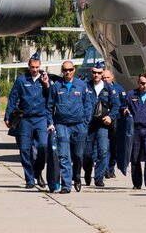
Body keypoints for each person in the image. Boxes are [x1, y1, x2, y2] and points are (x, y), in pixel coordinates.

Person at [5, 53, 51, 189]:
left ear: (40, 66)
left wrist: (47, 85)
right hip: (25, 119)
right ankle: (29, 179)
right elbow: (13, 98)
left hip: (41, 118)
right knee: (25, 150)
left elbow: (51, 97)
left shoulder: (45, 79)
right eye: (32, 67)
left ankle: (38, 171)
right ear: (28, 66)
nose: (35, 69)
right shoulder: (21, 80)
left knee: (43, 146)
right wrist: (7, 116)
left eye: (37, 67)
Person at [47, 60, 93, 193]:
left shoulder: (81, 85)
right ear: (62, 71)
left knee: (78, 155)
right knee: (64, 155)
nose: (68, 72)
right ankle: (66, 185)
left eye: (70, 69)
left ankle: (77, 176)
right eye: (65, 70)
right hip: (62, 125)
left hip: (79, 126)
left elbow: (88, 105)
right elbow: (49, 107)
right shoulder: (56, 86)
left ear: (74, 70)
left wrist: (85, 123)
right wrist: (51, 123)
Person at [82, 62, 119, 187]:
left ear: (102, 72)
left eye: (99, 72)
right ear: (91, 72)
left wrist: (110, 116)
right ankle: (87, 172)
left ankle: (99, 178)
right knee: (87, 153)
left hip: (102, 124)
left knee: (103, 151)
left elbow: (116, 105)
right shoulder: (85, 86)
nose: (96, 75)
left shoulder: (109, 88)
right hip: (88, 124)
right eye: (94, 72)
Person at [123, 72, 146, 189]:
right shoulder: (130, 95)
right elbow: (122, 106)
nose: (144, 86)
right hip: (135, 130)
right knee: (135, 158)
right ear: (138, 82)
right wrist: (124, 110)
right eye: (142, 83)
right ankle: (137, 183)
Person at [102, 68, 126, 179]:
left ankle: (111, 169)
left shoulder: (119, 89)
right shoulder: (101, 89)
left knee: (114, 148)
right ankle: (105, 169)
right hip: (105, 122)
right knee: (104, 147)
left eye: (107, 77)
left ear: (112, 77)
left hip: (116, 122)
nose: (106, 79)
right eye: (104, 78)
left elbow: (123, 104)